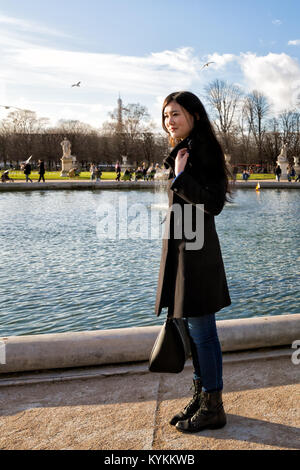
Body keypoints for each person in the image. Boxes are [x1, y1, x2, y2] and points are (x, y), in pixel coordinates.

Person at [155, 91, 232, 433]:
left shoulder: (203, 149)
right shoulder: (184, 148)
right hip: (184, 247)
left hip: (198, 253)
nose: (170, 120)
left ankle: (214, 406)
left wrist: (182, 175)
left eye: (176, 114)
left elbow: (214, 203)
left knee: (203, 331)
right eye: (166, 115)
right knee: (192, 327)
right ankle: (202, 398)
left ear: (195, 115)